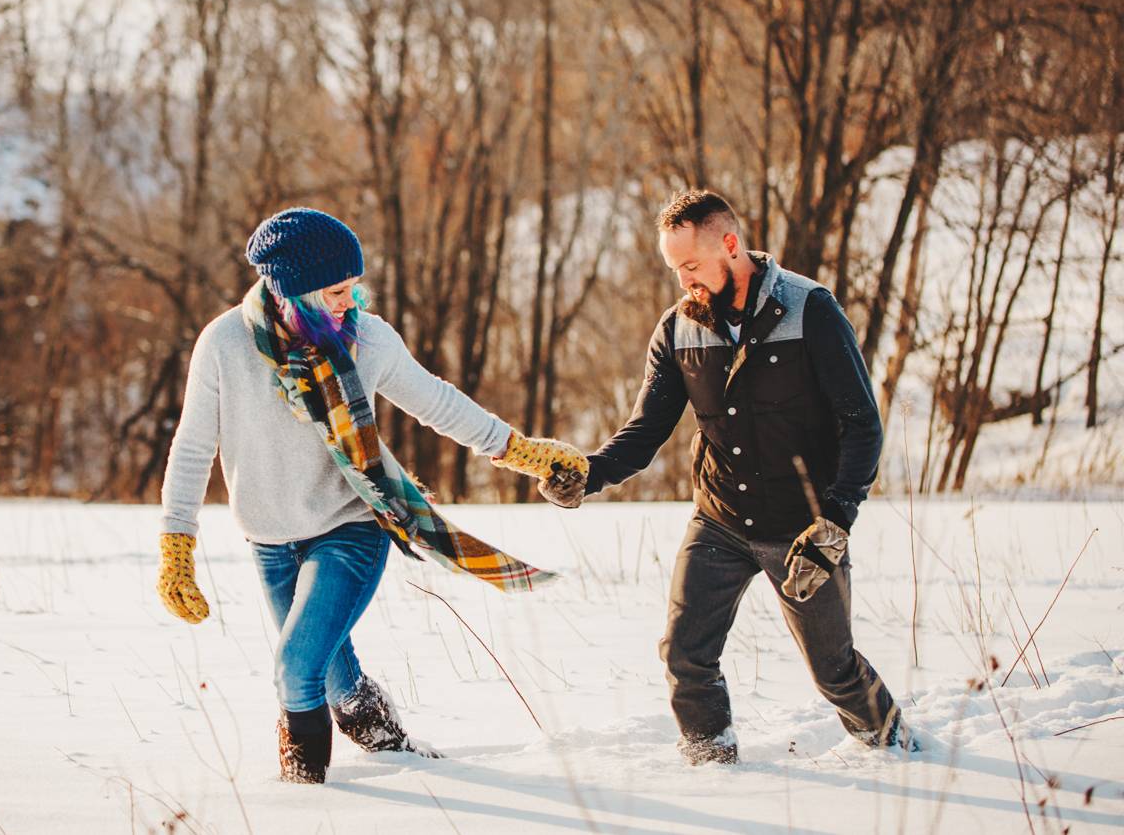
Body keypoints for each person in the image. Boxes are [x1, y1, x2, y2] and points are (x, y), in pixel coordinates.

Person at [156, 207, 586, 783]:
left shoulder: (367, 339)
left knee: (295, 667)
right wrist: (177, 545)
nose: (348, 302)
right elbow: (191, 448)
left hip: (350, 527)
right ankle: (384, 737)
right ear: (292, 287)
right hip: (268, 540)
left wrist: (523, 451)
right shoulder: (225, 343)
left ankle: (307, 798)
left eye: (353, 287)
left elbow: (439, 403)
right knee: (331, 675)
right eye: (335, 290)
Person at [537, 189, 915, 764]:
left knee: (834, 671)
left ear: (730, 246)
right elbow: (645, 431)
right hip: (720, 520)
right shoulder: (677, 330)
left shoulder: (811, 310)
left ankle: (898, 749)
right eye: (673, 268)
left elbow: (863, 425)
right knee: (685, 655)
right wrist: (587, 475)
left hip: (803, 530)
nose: (682, 280)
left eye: (690, 265)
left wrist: (835, 520)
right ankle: (711, 766)